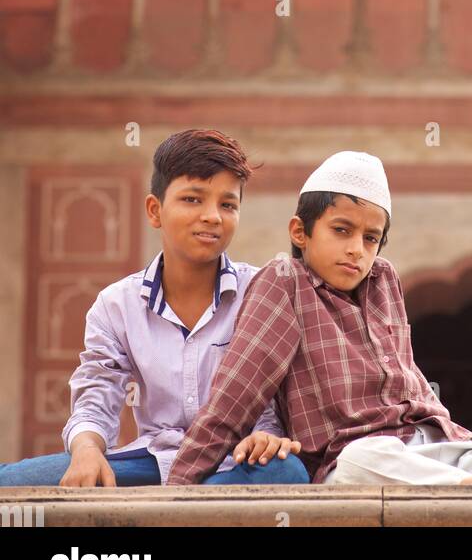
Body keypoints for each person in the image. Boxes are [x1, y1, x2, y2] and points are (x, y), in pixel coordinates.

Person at [167, 150, 472, 487]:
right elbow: (232, 401)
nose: (357, 250)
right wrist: (173, 495)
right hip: (365, 462)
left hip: (448, 453)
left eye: (370, 238)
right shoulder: (284, 282)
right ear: (300, 232)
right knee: (360, 462)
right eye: (341, 231)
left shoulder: (383, 280)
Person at [0, 128, 309, 488]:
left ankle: (181, 505)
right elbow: (97, 395)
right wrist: (86, 449)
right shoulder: (117, 305)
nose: (212, 216)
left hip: (236, 462)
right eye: (192, 199)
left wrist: (268, 436)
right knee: (11, 481)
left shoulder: (261, 291)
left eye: (228, 205)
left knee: (287, 471)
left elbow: (274, 397)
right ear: (155, 210)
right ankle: (193, 504)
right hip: (151, 462)